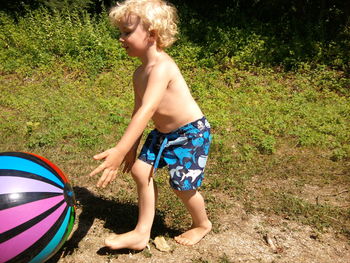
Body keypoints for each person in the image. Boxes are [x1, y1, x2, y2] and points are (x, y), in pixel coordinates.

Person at [89, 0, 212, 250]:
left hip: (190, 133)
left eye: (127, 32)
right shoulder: (139, 73)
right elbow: (138, 111)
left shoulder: (162, 67)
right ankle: (141, 233)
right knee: (140, 171)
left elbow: (148, 110)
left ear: (152, 34)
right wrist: (132, 148)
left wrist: (120, 150)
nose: (121, 38)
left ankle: (202, 224)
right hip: (163, 133)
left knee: (182, 187)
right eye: (120, 32)